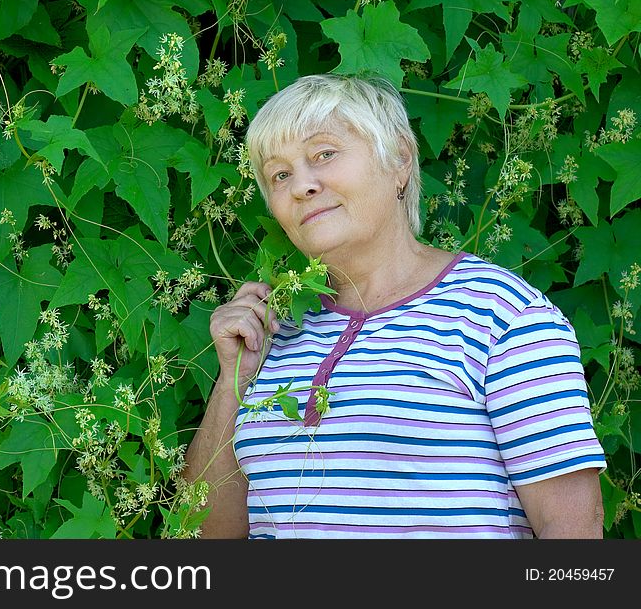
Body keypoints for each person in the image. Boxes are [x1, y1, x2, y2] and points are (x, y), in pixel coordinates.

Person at [183, 74, 606, 539]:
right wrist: (233, 379)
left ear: (399, 160)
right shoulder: (272, 331)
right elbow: (206, 536)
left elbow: (571, 530)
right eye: (280, 175)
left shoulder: (502, 317)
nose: (302, 185)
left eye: (324, 154)